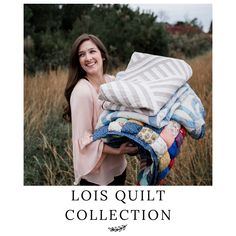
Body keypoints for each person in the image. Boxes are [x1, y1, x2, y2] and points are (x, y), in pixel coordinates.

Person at [63, 33, 138, 186]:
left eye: (92, 51)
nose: (88, 58)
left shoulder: (113, 81)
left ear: (102, 55)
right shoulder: (82, 92)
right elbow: (83, 141)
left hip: (118, 168)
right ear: (78, 61)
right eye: (81, 54)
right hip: (96, 177)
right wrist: (118, 150)